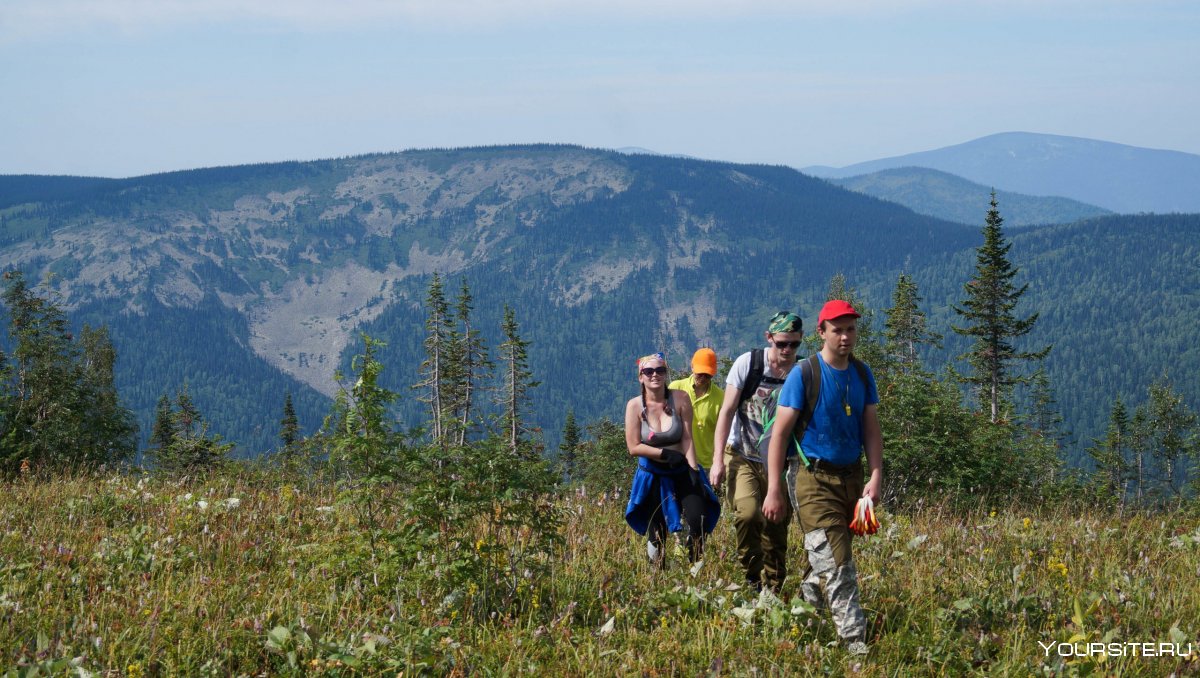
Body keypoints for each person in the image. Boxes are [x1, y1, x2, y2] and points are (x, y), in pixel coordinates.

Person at [763, 300, 883, 655]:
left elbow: (872, 430)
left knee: (823, 562)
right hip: (812, 479)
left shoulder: (862, 374)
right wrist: (774, 489)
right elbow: (780, 435)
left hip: (851, 479)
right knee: (838, 562)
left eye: (850, 329)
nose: (845, 337)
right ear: (822, 332)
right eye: (837, 330)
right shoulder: (805, 374)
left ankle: (798, 622)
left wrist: (875, 475)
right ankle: (855, 645)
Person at [709, 312, 804, 592]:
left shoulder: (801, 371)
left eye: (794, 345)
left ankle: (773, 586)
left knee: (776, 526)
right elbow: (726, 412)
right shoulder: (748, 364)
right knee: (748, 515)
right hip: (742, 453)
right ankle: (752, 575)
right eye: (782, 343)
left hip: (783, 462)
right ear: (769, 338)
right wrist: (717, 461)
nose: (787, 350)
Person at [624, 353, 720, 565]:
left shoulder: (680, 398)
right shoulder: (634, 406)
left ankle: (693, 564)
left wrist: (694, 470)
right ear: (641, 377)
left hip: (681, 469)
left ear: (666, 374)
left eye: (660, 370)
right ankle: (657, 575)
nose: (655, 375)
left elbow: (687, 437)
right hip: (652, 473)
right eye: (649, 372)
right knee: (656, 530)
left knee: (698, 519)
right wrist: (664, 454)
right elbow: (633, 447)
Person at [668, 348, 724, 470]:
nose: (703, 378)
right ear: (692, 367)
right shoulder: (675, 388)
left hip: (706, 464)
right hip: (677, 460)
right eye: (700, 373)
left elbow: (723, 432)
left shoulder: (720, 397)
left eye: (707, 375)